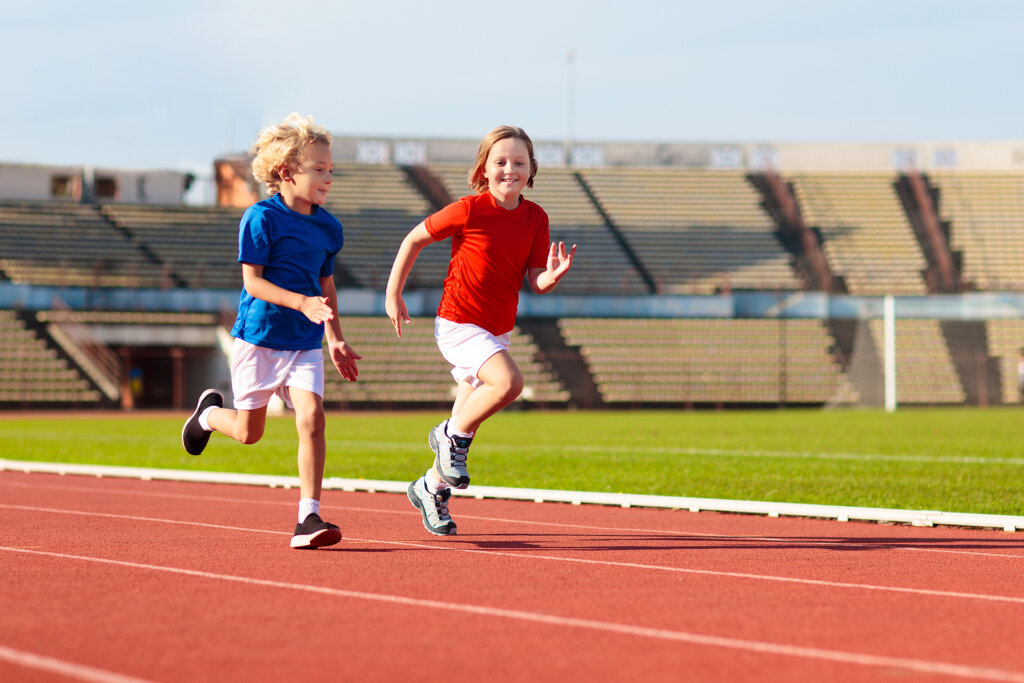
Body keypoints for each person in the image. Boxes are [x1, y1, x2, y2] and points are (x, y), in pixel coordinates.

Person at [181, 113, 361, 549]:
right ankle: (207, 415)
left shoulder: (328, 227)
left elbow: (326, 286)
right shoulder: (261, 218)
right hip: (259, 339)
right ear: (286, 172)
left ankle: (308, 517)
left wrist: (334, 337)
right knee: (249, 433)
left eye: (330, 170)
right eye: (319, 170)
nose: (328, 178)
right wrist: (300, 303)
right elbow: (253, 282)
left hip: (304, 343)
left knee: (312, 418)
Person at [385, 125, 576, 536]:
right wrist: (392, 294)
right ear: (484, 169)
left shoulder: (535, 217)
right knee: (509, 384)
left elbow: (536, 279)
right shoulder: (469, 209)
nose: (510, 169)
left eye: (519, 162)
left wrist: (552, 277)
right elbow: (413, 240)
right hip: (458, 323)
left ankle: (429, 488)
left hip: (496, 331)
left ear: (531, 170)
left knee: (465, 428)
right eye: (501, 161)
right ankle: (446, 434)